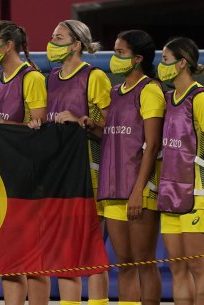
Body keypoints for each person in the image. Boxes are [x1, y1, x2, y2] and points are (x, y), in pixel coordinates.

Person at [0, 20, 48, 305]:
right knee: (10, 261)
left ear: (8, 46)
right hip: (0, 176)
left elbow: (39, 129)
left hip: (27, 178)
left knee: (32, 261)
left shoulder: (31, 78)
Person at [45, 20, 111, 305]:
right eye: (51, 36)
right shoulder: (50, 77)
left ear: (76, 45)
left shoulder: (94, 77)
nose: (51, 42)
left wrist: (82, 121)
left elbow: (112, 127)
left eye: (58, 37)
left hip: (90, 171)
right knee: (65, 248)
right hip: (59, 174)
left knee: (92, 248)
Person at [98, 30, 164, 305]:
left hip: (140, 189)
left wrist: (138, 190)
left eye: (120, 53)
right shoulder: (114, 92)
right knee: (123, 263)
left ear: (138, 59)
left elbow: (152, 145)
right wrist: (93, 127)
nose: (115, 58)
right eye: (114, 51)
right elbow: (115, 136)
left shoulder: (150, 90)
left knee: (144, 261)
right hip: (113, 188)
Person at [158, 36, 204, 305]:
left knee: (199, 268)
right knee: (177, 269)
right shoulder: (166, 99)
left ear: (182, 62)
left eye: (164, 60)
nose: (160, 66)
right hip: (169, 194)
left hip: (197, 195)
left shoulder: (198, 98)